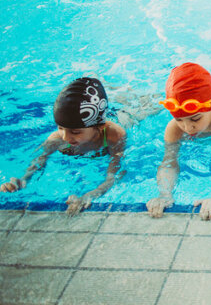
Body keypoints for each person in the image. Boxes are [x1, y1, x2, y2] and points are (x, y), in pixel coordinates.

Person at [1, 77, 126, 215]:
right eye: (60, 128)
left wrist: (91, 195)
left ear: (100, 127)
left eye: (75, 132)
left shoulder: (114, 136)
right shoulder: (56, 139)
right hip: (96, 114)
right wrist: (23, 179)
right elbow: (38, 160)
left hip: (121, 116)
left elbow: (113, 175)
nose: (65, 137)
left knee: (138, 107)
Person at [146, 62, 211, 220]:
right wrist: (164, 195)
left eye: (195, 119)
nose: (187, 127)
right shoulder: (174, 128)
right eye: (179, 120)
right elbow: (169, 163)